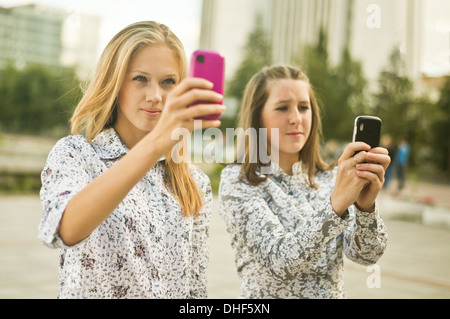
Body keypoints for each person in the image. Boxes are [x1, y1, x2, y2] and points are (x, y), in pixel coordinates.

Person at [38, 21, 225, 298]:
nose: (155, 96)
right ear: (115, 83)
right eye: (140, 78)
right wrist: (156, 143)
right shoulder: (76, 154)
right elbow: (65, 229)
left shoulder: (194, 183)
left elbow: (195, 291)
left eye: (168, 82)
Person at [218, 65, 390, 298]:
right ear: (258, 116)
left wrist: (365, 208)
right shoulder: (239, 181)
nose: (296, 118)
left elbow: (366, 255)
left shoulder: (329, 177)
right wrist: (335, 205)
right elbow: (280, 262)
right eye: (282, 108)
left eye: (303, 107)